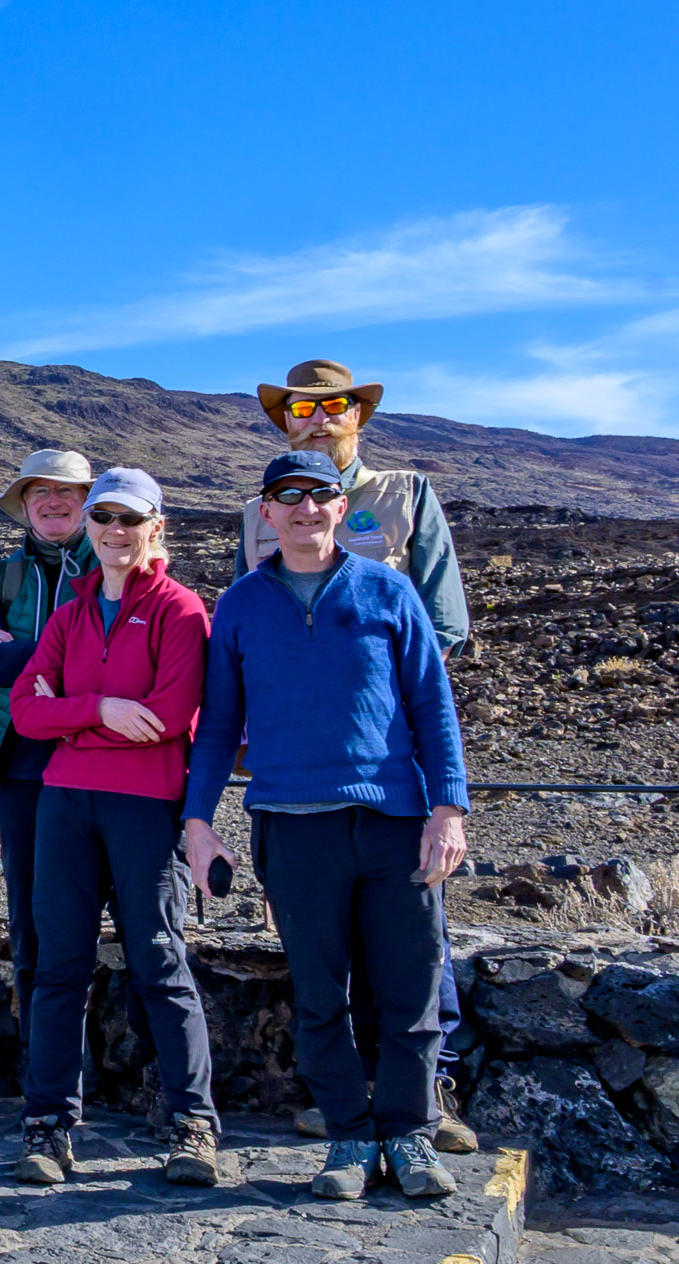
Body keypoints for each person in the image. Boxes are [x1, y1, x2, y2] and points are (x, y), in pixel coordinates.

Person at [184, 450, 469, 1201]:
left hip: (394, 822)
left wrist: (447, 808)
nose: (306, 509)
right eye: (288, 497)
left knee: (407, 989)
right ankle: (347, 1136)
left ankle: (407, 1133)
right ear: (265, 512)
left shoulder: (390, 591)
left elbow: (433, 708)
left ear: (342, 507)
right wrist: (197, 820)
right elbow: (216, 725)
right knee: (321, 993)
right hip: (292, 826)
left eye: (321, 495)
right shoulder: (241, 605)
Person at [241, 360, 475, 1153]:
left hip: (392, 758)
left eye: (331, 404)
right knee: (324, 949)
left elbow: (439, 624)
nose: (315, 417)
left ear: (357, 414)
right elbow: (256, 626)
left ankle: (425, 1093)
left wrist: (365, 693)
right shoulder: (256, 513)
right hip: (300, 778)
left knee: (413, 939)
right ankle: (346, 1102)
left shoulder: (405, 494)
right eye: (299, 406)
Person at [5, 469, 221, 1187]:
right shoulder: (69, 615)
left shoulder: (180, 611)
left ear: (156, 526)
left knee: (159, 959)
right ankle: (49, 1123)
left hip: (143, 807)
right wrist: (98, 709)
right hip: (66, 802)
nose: (115, 531)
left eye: (131, 518)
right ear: (91, 526)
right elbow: (26, 711)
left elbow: (167, 712)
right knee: (58, 964)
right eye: (104, 517)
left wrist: (71, 709)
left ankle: (193, 1122)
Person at [0, 448, 97, 1056]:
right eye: (38, 490)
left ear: (89, 499)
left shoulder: (122, 568)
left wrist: (30, 649)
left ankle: (128, 1065)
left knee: (132, 915)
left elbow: (119, 666)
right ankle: (41, 1062)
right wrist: (73, 655)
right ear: (23, 505)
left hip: (108, 763)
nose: (52, 500)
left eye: (66, 489)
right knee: (29, 913)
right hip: (21, 761)